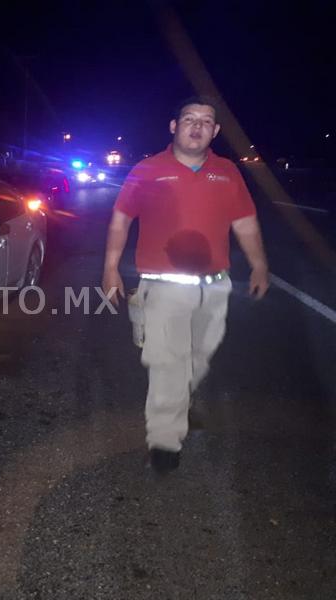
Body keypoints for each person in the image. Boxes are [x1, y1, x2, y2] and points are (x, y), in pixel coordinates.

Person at [102, 96, 269, 473]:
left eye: (206, 121)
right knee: (168, 363)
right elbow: (120, 220)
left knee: (199, 358)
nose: (197, 126)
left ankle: (179, 404)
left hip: (214, 287)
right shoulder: (148, 170)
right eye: (189, 119)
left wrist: (259, 265)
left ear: (215, 131)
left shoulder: (227, 172)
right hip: (162, 288)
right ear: (173, 126)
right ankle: (164, 442)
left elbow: (244, 222)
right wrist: (110, 268)